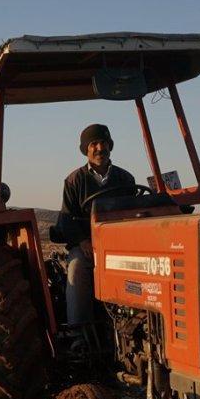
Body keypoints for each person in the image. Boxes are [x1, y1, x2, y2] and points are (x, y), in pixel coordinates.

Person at [55, 123, 136, 325]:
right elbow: (66, 218)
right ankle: (78, 332)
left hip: (120, 245)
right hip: (87, 247)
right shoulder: (74, 180)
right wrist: (82, 241)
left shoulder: (125, 179)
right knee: (76, 269)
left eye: (104, 143)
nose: (100, 148)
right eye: (94, 144)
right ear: (86, 149)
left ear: (110, 146)